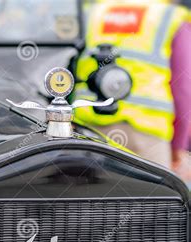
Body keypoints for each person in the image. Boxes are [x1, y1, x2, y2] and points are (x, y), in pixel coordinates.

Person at [75, 0, 191, 173]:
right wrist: (178, 146)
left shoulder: (91, 11)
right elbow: (183, 89)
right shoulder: (171, 17)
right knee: (158, 197)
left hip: (87, 131)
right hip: (148, 135)